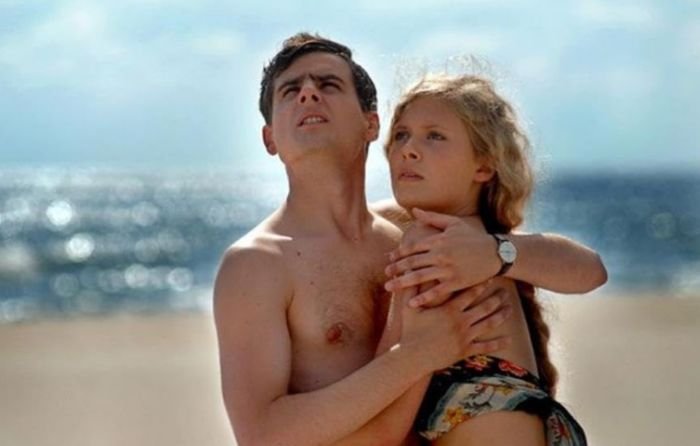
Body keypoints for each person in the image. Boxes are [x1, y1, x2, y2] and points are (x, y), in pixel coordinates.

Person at [213, 32, 606, 446]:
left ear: (371, 123)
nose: (308, 93)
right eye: (291, 90)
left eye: (328, 84)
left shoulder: (420, 229)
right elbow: (260, 436)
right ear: (270, 138)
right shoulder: (256, 264)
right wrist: (419, 354)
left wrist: (498, 252)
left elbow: (589, 270)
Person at [378, 74, 591, 445]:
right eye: (401, 135)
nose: (408, 149)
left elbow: (383, 388)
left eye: (434, 136)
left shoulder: (435, 242)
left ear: (484, 166)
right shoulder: (480, 239)